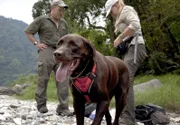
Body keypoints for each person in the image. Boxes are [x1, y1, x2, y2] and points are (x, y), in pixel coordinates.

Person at [24, 0, 74, 116]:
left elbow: (67, 39)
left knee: (63, 79)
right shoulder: (42, 20)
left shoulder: (64, 23)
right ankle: (41, 105)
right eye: (59, 10)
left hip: (60, 52)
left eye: (63, 10)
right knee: (43, 78)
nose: (61, 13)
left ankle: (63, 107)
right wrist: (36, 43)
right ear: (52, 8)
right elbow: (28, 31)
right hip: (46, 50)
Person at [105, 0, 147, 124]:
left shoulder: (126, 10)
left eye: (111, 11)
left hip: (136, 48)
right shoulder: (121, 14)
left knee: (126, 80)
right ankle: (125, 114)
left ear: (116, 5)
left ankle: (128, 118)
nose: (111, 14)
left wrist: (120, 37)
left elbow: (135, 25)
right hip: (130, 48)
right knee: (122, 80)